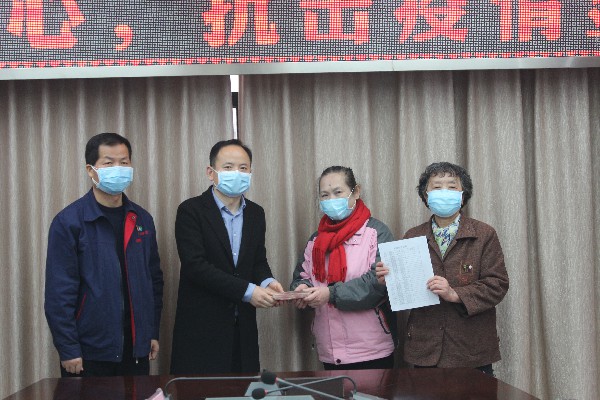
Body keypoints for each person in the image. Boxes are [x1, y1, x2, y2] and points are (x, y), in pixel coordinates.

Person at [45, 132, 164, 377]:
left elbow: (153, 280)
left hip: (136, 348)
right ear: (91, 170)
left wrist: (151, 332)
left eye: (124, 162)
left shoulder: (142, 219)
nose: (118, 169)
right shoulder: (69, 222)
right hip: (89, 351)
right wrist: (68, 348)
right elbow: (59, 292)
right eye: (109, 163)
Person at [377, 162, 509, 375]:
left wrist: (455, 294)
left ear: (463, 195)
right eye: (437, 187)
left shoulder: (484, 234)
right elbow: (404, 294)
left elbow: (498, 284)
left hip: (471, 348)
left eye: (452, 186)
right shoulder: (412, 236)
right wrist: (391, 281)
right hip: (425, 347)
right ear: (426, 195)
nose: (444, 192)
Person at [170, 139, 284, 374]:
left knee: (243, 388)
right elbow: (195, 266)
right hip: (202, 330)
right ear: (210, 172)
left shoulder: (256, 213)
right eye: (228, 167)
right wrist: (249, 291)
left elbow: (257, 260)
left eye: (243, 168)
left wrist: (267, 281)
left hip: (243, 329)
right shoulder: (191, 210)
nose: (237, 173)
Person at [290, 166, 397, 370]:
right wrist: (301, 289)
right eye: (325, 195)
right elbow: (302, 276)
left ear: (356, 192)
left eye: (338, 192)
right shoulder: (315, 240)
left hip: (371, 350)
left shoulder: (377, 232)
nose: (331, 199)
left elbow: (377, 284)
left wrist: (330, 294)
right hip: (330, 350)